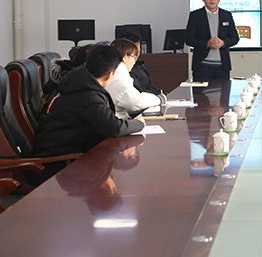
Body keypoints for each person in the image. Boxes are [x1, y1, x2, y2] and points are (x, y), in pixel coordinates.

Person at [31, 44, 145, 183]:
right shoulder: (87, 94)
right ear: (109, 75)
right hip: (57, 168)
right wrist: (140, 124)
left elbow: (105, 121)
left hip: (65, 160)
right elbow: (114, 128)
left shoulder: (81, 83)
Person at [185, 0, 239, 81]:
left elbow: (235, 38)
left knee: (223, 95)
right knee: (201, 95)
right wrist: (207, 44)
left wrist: (223, 43)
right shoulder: (195, 16)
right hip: (202, 65)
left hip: (222, 65)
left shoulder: (226, 15)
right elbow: (188, 39)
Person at [105, 39, 163, 119]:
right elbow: (136, 103)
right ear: (125, 57)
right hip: (115, 122)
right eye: (133, 57)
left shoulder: (117, 70)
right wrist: (159, 99)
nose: (134, 62)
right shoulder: (118, 74)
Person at [119, 31, 161, 95]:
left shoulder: (139, 66)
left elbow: (150, 85)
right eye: (136, 48)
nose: (138, 51)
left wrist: (161, 94)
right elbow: (140, 91)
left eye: (139, 47)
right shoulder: (125, 70)